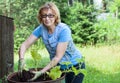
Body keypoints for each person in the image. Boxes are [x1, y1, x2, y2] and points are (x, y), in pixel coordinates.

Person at [18, 2, 85, 83]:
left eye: (50, 15)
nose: (47, 18)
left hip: (75, 65)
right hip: (58, 67)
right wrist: (21, 60)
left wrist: (41, 72)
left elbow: (58, 57)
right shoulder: (41, 29)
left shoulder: (63, 30)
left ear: (56, 16)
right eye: (44, 15)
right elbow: (24, 45)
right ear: (41, 17)